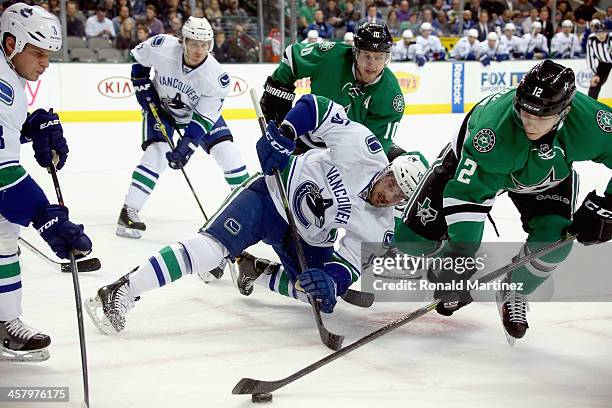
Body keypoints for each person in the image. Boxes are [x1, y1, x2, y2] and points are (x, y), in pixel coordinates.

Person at [85, 95, 426, 333]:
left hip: (307, 235)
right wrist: (285, 136)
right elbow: (316, 107)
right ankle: (123, 290)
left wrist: (333, 279)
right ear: (390, 167)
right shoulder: (364, 148)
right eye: (393, 181)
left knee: (320, 296)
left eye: (400, 195)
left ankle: (256, 271)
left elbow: (351, 262)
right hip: (271, 194)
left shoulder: (384, 226)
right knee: (210, 250)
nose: (389, 194)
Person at [394, 60, 612, 342]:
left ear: (565, 112)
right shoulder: (493, 133)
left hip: (547, 176)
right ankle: (428, 253)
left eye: (542, 115)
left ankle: (515, 287)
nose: (529, 121)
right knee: (411, 240)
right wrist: (457, 260)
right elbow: (467, 197)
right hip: (472, 167)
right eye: (524, 111)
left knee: (555, 244)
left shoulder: (592, 123)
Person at [0, 3, 92, 362]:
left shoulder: (10, 77)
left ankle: (5, 320)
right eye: (37, 53)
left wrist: (33, 125)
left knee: (3, 233)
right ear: (11, 44)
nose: (45, 63)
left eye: (48, 55)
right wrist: (43, 215)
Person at [116, 17, 250, 239]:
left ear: (211, 44)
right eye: (194, 43)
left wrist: (187, 145)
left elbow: (204, 118)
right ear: (183, 41)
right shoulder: (163, 47)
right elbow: (139, 59)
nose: (199, 50)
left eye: (204, 44)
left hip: (196, 115)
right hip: (163, 110)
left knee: (227, 152)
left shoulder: (216, 76)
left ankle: (249, 208)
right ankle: (129, 211)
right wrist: (140, 82)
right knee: (157, 153)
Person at [259, 23, 405, 159]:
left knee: (403, 163)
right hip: (304, 138)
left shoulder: (391, 96)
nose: (372, 64)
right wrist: (278, 93)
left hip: (346, 151)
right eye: (366, 56)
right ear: (355, 53)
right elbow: (292, 57)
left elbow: (373, 150)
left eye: (379, 57)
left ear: (387, 58)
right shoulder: (332, 57)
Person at [586, 19, 612, 101]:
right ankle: (590, 105)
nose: (601, 35)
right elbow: (589, 57)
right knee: (594, 84)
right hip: (603, 63)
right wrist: (594, 74)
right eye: (598, 33)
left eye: (603, 32)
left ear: (606, 32)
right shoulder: (591, 39)